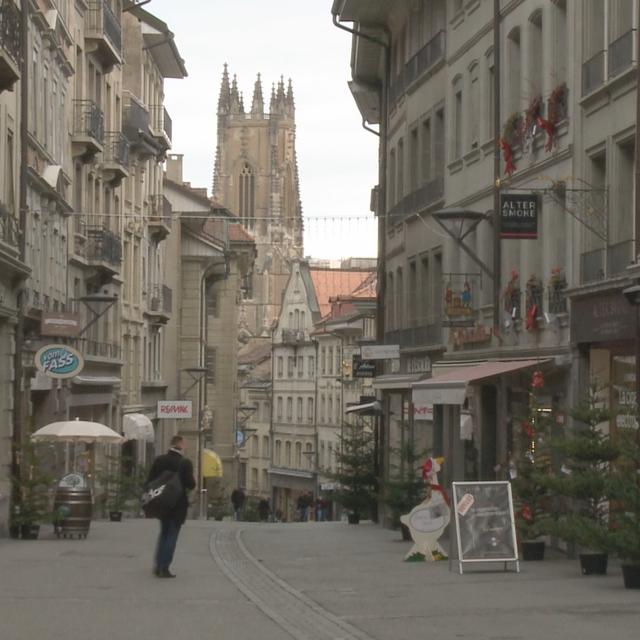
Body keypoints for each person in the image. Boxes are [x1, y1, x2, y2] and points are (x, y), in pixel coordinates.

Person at [147, 435, 195, 578]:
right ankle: (164, 567)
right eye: (184, 444)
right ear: (180, 444)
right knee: (172, 535)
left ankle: (157, 565)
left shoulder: (159, 460)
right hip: (177, 504)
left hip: (161, 502)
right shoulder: (185, 463)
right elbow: (191, 484)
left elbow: (149, 481)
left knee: (163, 533)